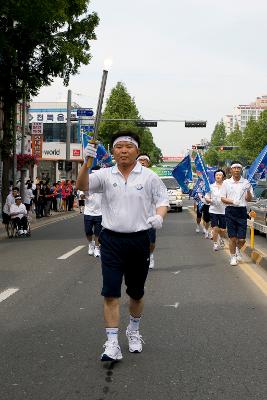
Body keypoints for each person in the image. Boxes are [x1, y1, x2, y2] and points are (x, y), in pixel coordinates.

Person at [76, 130, 169, 362]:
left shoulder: (149, 177)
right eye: (119, 147)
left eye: (128, 146)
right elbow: (82, 186)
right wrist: (85, 163)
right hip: (111, 241)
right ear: (112, 151)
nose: (124, 150)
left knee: (136, 294)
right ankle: (112, 343)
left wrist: (160, 216)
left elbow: (162, 201)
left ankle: (134, 331)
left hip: (139, 241)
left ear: (137, 151)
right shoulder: (104, 174)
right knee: (110, 293)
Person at [221, 161, 253, 266]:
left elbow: (249, 199)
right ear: (231, 170)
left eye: (238, 168)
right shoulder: (226, 183)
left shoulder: (246, 183)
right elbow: (222, 198)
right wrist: (233, 201)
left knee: (242, 239)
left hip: (242, 211)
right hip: (230, 211)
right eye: (234, 168)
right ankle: (232, 257)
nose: (236, 170)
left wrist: (248, 190)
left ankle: (238, 249)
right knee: (233, 238)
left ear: (241, 170)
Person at [137, 153, 156, 269]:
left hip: (150, 216)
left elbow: (161, 197)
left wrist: (159, 215)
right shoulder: (129, 176)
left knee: (151, 242)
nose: (142, 161)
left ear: (148, 163)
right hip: (134, 216)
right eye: (140, 160)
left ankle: (150, 255)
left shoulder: (153, 177)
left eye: (145, 160)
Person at [83, 166, 102, 258]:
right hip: (88, 212)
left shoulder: (103, 185)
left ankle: (97, 248)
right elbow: (81, 195)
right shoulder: (86, 184)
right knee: (88, 231)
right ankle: (91, 244)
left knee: (98, 233)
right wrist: (83, 195)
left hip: (99, 213)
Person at [205, 169, 227, 251]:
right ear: (214, 177)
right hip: (213, 210)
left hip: (223, 211)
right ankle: (215, 244)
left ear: (223, 177)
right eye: (216, 175)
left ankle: (221, 238)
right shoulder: (210, 187)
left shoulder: (226, 187)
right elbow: (206, 197)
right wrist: (211, 200)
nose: (218, 176)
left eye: (220, 175)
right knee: (215, 228)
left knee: (223, 230)